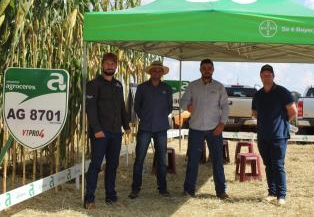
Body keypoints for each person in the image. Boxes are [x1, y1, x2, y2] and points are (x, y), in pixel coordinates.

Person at [84, 52, 131, 209]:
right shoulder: (93, 84)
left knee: (113, 165)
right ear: (102, 64)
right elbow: (90, 110)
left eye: (113, 63)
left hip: (116, 133)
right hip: (100, 133)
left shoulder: (118, 85)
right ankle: (89, 199)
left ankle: (111, 195)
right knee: (96, 165)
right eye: (107, 63)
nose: (110, 66)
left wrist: (126, 126)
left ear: (116, 66)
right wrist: (97, 130)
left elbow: (122, 107)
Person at [180, 59, 229, 200]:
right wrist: (187, 106)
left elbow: (225, 106)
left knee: (218, 161)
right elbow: (183, 101)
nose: (207, 70)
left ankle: (221, 191)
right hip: (195, 128)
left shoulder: (219, 87)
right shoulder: (192, 85)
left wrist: (222, 124)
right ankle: (189, 190)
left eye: (209, 68)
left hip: (214, 129)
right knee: (193, 161)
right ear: (200, 70)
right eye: (204, 68)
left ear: (213, 70)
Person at [252, 64, 297, 206]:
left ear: (273, 76)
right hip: (263, 136)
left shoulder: (282, 92)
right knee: (268, 165)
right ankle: (271, 193)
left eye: (269, 75)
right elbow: (254, 114)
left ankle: (281, 195)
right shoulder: (258, 94)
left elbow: (293, 111)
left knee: (278, 165)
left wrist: (282, 123)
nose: (266, 78)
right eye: (264, 75)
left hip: (279, 136)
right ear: (260, 77)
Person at [128, 61, 173, 199]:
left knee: (161, 159)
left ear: (162, 73)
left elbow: (170, 107)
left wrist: (159, 117)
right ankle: (135, 189)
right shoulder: (142, 88)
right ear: (150, 72)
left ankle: (162, 188)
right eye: (154, 70)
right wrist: (146, 117)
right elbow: (137, 106)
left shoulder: (167, 88)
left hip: (161, 129)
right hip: (145, 128)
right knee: (139, 159)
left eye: (159, 71)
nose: (157, 73)